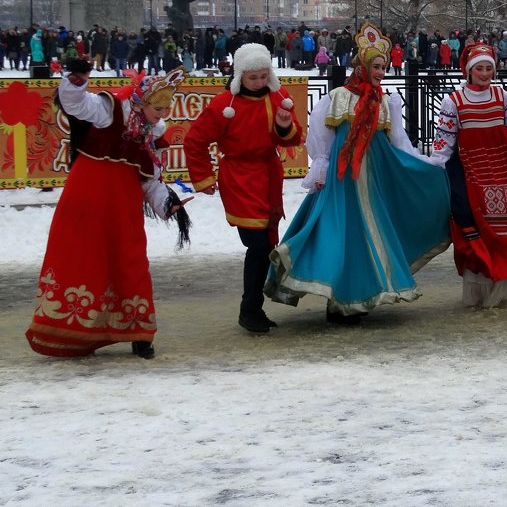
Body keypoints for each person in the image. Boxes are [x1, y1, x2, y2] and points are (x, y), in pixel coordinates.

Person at [265, 24, 450, 324]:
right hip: (342, 181)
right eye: (375, 66)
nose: (380, 72)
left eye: (384, 67)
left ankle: (356, 299)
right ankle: (340, 299)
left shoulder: (387, 102)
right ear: (361, 65)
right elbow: (319, 138)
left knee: (366, 238)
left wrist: (424, 165)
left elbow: (399, 142)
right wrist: (322, 165)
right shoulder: (337, 98)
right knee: (340, 236)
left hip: (373, 180)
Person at [26, 63, 191, 359]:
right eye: (158, 106)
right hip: (87, 195)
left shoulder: (150, 133)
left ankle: (139, 333)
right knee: (82, 259)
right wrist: (75, 81)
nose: (163, 113)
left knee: (130, 260)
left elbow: (150, 179)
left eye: (167, 108)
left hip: (123, 203)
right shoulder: (110, 108)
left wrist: (169, 205)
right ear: (141, 100)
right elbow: (76, 103)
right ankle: (75, 331)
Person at [183, 43, 304, 333]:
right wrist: (204, 179)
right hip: (238, 178)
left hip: (267, 176)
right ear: (240, 76)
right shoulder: (225, 105)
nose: (260, 83)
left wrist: (284, 126)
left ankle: (252, 309)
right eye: (254, 78)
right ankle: (249, 309)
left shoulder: (279, 98)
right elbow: (195, 141)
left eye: (264, 76)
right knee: (258, 245)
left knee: (266, 245)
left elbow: (293, 138)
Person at [429, 43, 507, 307]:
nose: (485, 73)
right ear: (469, 71)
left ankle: (503, 281)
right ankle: (485, 283)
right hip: (474, 172)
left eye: (489, 68)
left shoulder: (502, 96)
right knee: (483, 230)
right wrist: (435, 166)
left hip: (505, 170)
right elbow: (445, 140)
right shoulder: (454, 101)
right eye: (479, 68)